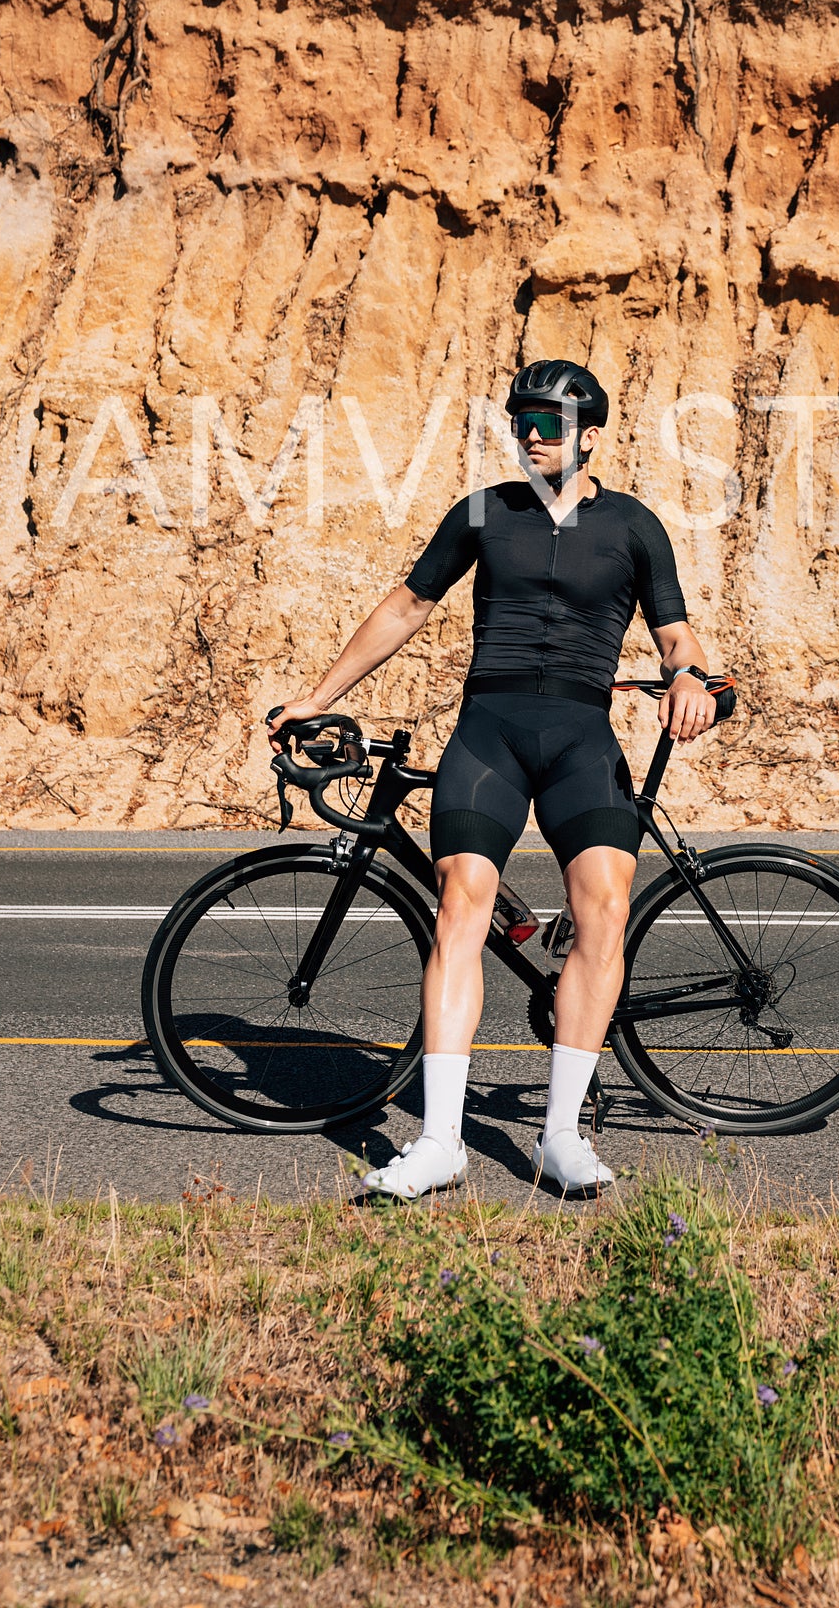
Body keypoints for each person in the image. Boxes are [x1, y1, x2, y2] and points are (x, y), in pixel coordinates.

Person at [267, 358, 719, 1197]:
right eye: (522, 419)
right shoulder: (481, 514)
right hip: (491, 734)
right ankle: (440, 1142)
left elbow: (674, 636)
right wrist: (317, 694)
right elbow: (406, 607)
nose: (533, 434)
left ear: (590, 433)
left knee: (604, 910)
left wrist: (692, 679)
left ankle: (557, 1137)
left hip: (581, 739)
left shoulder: (632, 526)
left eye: (550, 421)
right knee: (460, 910)